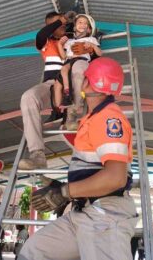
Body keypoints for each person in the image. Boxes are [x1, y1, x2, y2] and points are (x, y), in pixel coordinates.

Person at [17, 57, 138, 260]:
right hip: (83, 211)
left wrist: (64, 192)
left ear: (88, 83)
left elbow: (115, 178)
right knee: (33, 253)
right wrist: (62, 186)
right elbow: (94, 170)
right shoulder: (94, 118)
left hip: (104, 216)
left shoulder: (108, 119)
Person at [19, 11, 92, 170]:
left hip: (72, 84)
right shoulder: (46, 43)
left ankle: (72, 116)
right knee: (28, 97)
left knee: (79, 77)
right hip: (50, 84)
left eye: (64, 24)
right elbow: (41, 33)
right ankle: (37, 155)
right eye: (57, 24)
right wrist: (62, 19)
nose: (62, 26)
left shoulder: (74, 41)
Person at [49, 14, 102, 114]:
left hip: (81, 60)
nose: (82, 25)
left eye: (85, 23)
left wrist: (92, 45)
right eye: (80, 22)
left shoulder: (91, 39)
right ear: (74, 26)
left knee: (77, 73)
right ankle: (61, 104)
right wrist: (60, 44)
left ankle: (76, 105)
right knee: (60, 76)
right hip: (69, 61)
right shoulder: (69, 41)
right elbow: (63, 57)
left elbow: (99, 53)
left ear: (89, 29)